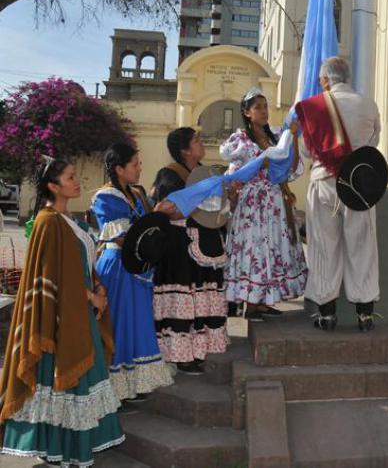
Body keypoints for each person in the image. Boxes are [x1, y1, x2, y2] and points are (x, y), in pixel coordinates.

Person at [1, 158, 124, 465]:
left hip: (80, 313)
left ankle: (72, 448)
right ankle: (56, 449)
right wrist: (91, 298)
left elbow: (82, 264)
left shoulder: (72, 220)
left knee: (84, 382)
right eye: (69, 177)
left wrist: (98, 287)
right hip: (58, 320)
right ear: (54, 186)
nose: (76, 180)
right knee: (61, 379)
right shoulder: (46, 221)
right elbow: (52, 277)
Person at [299, 57, 382, 331]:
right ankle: (365, 313)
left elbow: (306, 151)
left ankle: (326, 313)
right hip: (358, 186)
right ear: (347, 77)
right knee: (362, 246)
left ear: (325, 80)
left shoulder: (313, 108)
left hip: (324, 182)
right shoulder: (368, 105)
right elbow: (373, 144)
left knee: (324, 246)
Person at [93, 143, 173, 402]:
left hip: (138, 269)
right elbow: (121, 239)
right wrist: (154, 218)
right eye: (135, 164)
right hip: (118, 267)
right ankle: (115, 388)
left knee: (136, 322)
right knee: (118, 323)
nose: (140, 168)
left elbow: (148, 231)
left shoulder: (137, 193)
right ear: (119, 168)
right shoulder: (105, 197)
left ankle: (131, 384)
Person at [220, 88, 306, 320]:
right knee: (254, 249)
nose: (264, 111)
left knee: (272, 248)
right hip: (252, 204)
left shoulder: (277, 137)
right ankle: (250, 302)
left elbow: (291, 168)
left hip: (275, 202)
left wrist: (295, 140)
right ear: (247, 113)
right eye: (258, 107)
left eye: (265, 106)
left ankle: (264, 300)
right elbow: (235, 173)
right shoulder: (241, 140)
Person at [149, 128, 229, 374]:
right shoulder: (169, 175)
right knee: (185, 300)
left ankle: (200, 350)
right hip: (180, 249)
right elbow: (167, 209)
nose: (201, 143)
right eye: (196, 141)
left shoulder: (204, 173)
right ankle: (182, 357)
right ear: (184, 149)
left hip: (204, 245)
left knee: (202, 299)